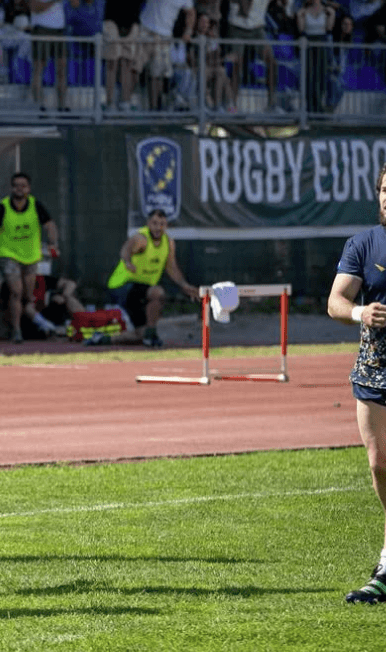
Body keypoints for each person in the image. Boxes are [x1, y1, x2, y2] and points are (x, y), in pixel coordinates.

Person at [328, 162, 386, 605]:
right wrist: (358, 313)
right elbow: (336, 300)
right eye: (384, 190)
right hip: (374, 368)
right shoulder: (364, 243)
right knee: (379, 464)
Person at [88, 208, 197, 347]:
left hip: (142, 291)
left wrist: (184, 285)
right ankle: (151, 335)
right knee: (157, 292)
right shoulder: (141, 239)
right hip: (123, 286)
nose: (158, 227)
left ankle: (104, 339)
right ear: (148, 224)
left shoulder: (168, 242)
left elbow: (172, 267)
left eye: (162, 224)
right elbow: (125, 250)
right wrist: (127, 261)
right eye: (155, 223)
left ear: (166, 225)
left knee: (139, 334)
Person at [0, 171, 60, 344]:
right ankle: (17, 331)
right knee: (16, 291)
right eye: (16, 186)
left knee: (26, 296)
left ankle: (9, 324)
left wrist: (53, 243)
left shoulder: (36, 205)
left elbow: (50, 226)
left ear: (28, 188)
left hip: (30, 255)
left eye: (23, 186)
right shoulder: (2, 207)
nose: (19, 189)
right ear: (12, 188)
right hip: (7, 254)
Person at [135, 0, 196, 111]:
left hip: (164, 35)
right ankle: (127, 104)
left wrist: (188, 31)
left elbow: (191, 12)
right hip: (145, 29)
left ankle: (154, 109)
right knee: (135, 68)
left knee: (157, 74)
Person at [226, 0, 281, 114]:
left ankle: (272, 103)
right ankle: (231, 104)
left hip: (257, 28)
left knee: (272, 62)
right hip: (237, 27)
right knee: (237, 64)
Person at [101, 0, 144, 110]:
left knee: (127, 66)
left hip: (132, 22)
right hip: (111, 20)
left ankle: (125, 102)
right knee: (112, 64)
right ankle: (110, 102)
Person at [297, 0, 336, 113]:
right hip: (309, 43)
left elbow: (329, 28)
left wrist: (332, 14)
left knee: (321, 75)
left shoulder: (327, 11)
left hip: (321, 43)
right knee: (309, 75)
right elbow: (301, 30)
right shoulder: (303, 12)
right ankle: (310, 106)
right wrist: (300, 15)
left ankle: (319, 105)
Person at [29, 0, 68, 112]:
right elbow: (34, 7)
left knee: (62, 67)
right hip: (41, 28)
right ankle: (38, 106)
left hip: (59, 29)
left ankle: (62, 106)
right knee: (39, 67)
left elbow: (75, 4)